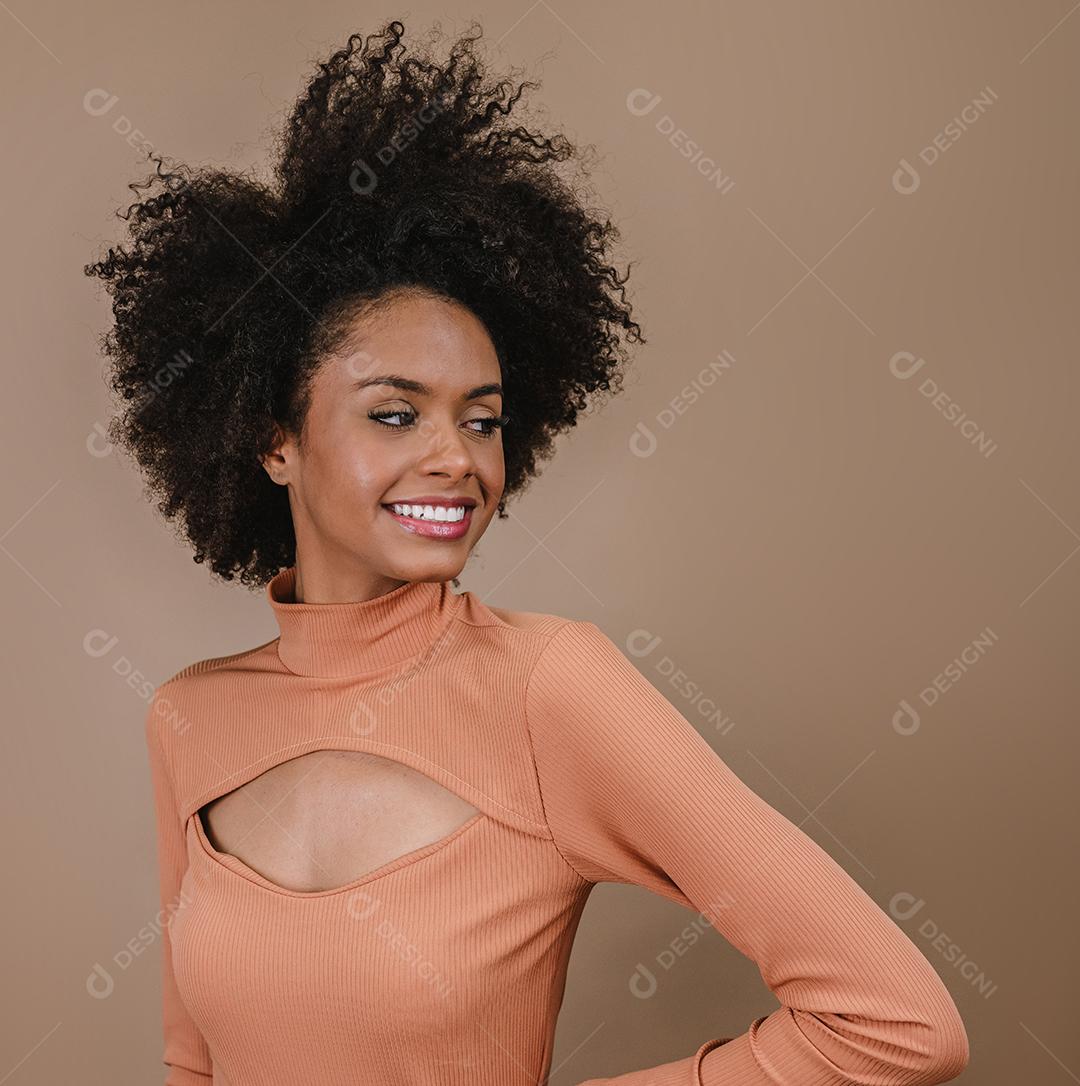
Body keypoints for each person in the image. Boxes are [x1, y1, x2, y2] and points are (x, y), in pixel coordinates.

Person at [84, 20, 969, 1086]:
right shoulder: (188, 718)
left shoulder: (552, 689)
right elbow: (192, 1060)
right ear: (275, 440)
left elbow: (897, 1023)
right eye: (395, 414)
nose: (456, 459)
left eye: (483, 420)